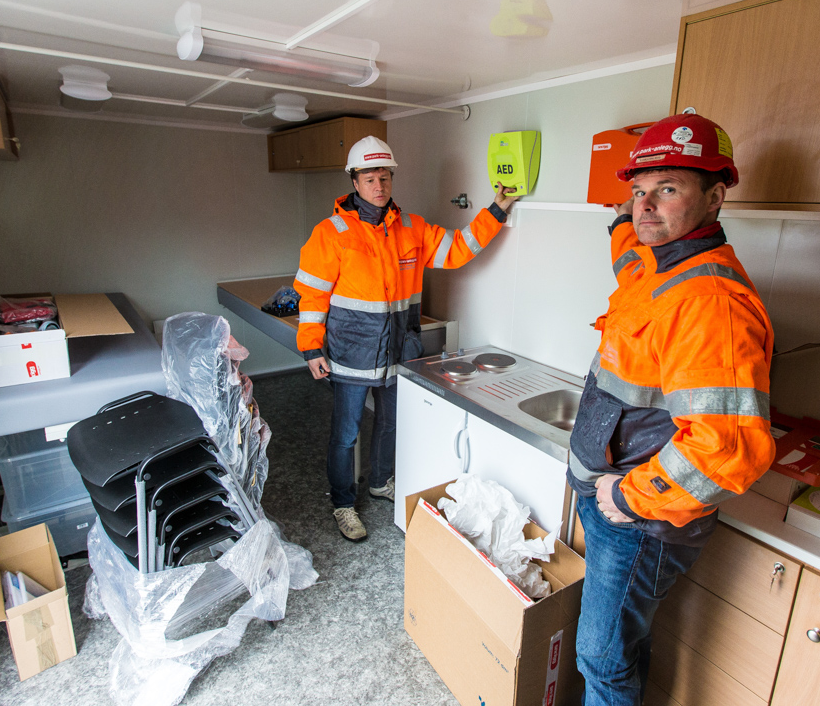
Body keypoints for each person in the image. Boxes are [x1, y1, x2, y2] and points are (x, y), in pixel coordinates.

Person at [568, 113, 775, 704]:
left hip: (639, 517)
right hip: (610, 499)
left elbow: (726, 448)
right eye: (639, 191)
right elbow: (626, 249)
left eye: (668, 189)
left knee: (601, 659)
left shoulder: (709, 302)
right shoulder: (652, 265)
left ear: (714, 197)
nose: (646, 206)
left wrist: (628, 497)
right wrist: (621, 214)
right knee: (619, 648)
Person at [294, 135, 518, 541]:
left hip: (399, 350)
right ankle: (343, 503)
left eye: (384, 177)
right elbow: (312, 294)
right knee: (345, 434)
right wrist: (311, 346)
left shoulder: (412, 228)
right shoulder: (332, 232)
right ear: (354, 182)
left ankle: (380, 483)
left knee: (390, 423)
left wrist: (497, 210)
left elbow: (458, 248)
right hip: (351, 352)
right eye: (369, 179)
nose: (378, 186)